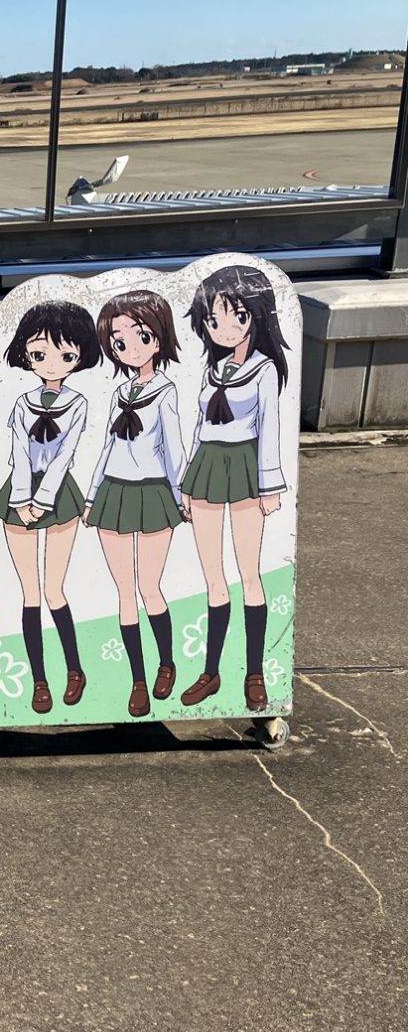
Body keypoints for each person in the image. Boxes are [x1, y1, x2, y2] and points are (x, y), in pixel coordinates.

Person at [179, 265, 288, 711]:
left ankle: (255, 673)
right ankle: (211, 672)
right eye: (213, 319)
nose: (223, 328)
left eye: (236, 316)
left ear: (256, 317)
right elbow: (199, 427)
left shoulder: (264, 370)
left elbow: (269, 427)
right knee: (213, 576)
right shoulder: (213, 370)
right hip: (207, 466)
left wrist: (269, 485)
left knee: (249, 573)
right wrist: (186, 482)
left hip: (244, 466)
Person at [0, 300, 100, 714]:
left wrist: (42, 500)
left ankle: (75, 670)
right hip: (19, 494)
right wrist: (22, 499)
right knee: (30, 593)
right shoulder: (22, 403)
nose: (51, 362)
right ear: (26, 353)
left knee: (54, 589)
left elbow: (65, 456)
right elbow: (18, 452)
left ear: (79, 356)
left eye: (65, 354)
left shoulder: (78, 403)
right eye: (39, 353)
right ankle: (39, 681)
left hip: (59, 495)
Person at [85, 290, 186, 718]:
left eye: (141, 336)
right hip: (114, 492)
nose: (130, 347)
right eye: (119, 341)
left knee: (149, 587)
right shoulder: (119, 394)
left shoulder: (166, 391)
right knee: (125, 592)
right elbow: (107, 448)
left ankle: (167, 662)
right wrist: (92, 496)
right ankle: (138, 681)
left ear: (159, 339)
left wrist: (181, 496)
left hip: (153, 493)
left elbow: (174, 448)